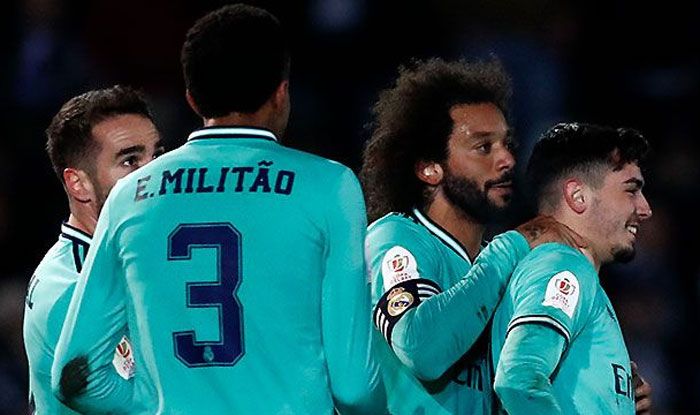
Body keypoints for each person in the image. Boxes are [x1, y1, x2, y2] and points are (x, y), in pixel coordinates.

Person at [51, 4, 383, 414]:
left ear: (192, 99)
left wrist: (153, 407)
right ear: (281, 93)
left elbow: (75, 375)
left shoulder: (129, 195)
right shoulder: (329, 186)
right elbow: (354, 387)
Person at [360, 57, 585, 414]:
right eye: (484, 147)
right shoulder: (396, 238)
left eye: (506, 144)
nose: (507, 159)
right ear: (430, 169)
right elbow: (421, 349)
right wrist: (513, 244)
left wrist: (611, 392)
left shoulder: (500, 263)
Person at [492, 123, 653, 414]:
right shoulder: (564, 267)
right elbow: (518, 380)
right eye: (631, 190)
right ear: (578, 196)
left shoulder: (578, 277)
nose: (645, 209)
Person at [23, 85, 164, 414]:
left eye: (157, 156)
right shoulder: (70, 288)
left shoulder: (126, 258)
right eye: (130, 161)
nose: (155, 174)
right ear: (79, 184)